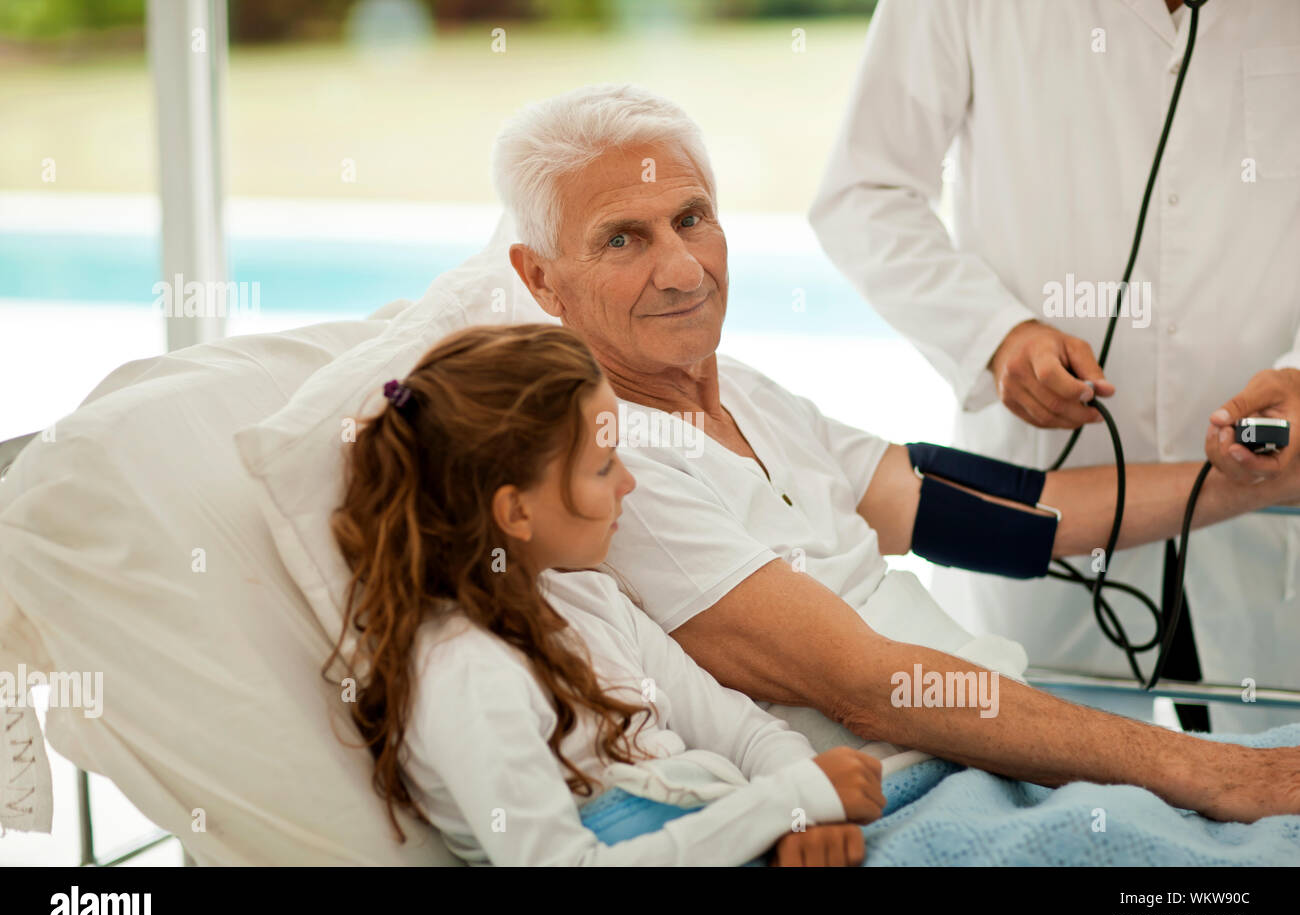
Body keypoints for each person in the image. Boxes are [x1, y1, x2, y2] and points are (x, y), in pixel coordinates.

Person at [494, 82, 1300, 822]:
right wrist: (1213, 772)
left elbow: (1011, 516)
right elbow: (872, 690)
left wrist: (1250, 482)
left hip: (985, 759)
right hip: (903, 799)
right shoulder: (614, 467)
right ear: (541, 279)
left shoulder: (742, 392)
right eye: (623, 240)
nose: (681, 269)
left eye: (692, 218)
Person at [808, 0, 1300, 733]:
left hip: (1273, 517)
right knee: (1050, 795)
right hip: (1049, 512)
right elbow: (862, 192)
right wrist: (994, 334)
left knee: (1277, 796)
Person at [325, 322, 883, 866]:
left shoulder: (590, 599)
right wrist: (787, 802)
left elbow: (744, 732)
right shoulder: (466, 673)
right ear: (517, 511)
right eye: (603, 465)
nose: (628, 482)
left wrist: (806, 815)